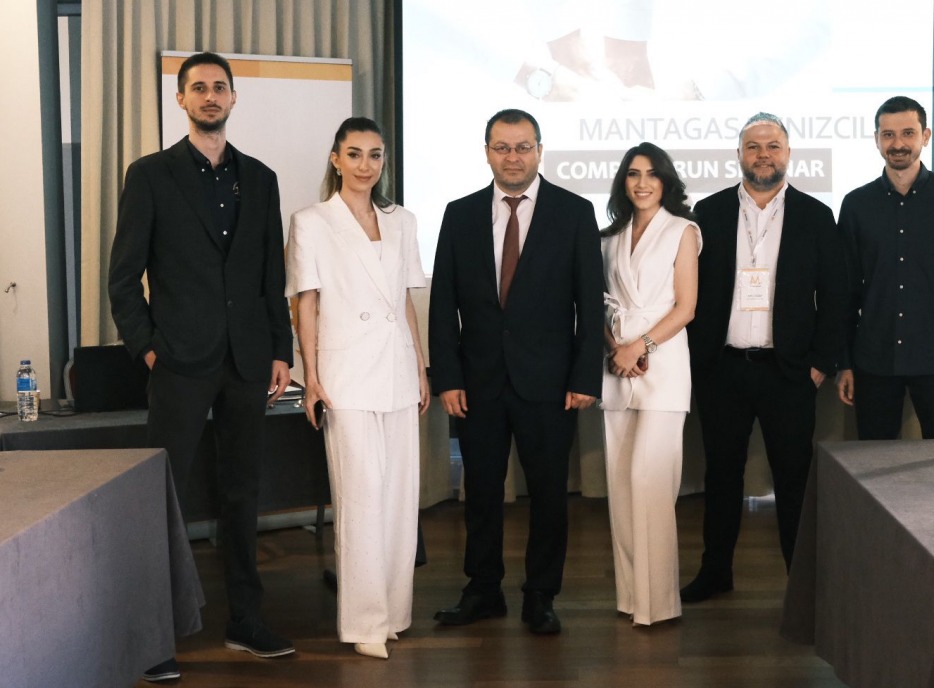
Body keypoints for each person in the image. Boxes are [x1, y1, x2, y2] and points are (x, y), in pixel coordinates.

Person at [108, 51, 294, 682]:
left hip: (247, 361)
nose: (210, 96)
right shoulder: (150, 175)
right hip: (179, 363)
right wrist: (147, 347)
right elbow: (123, 277)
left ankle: (246, 622)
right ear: (181, 100)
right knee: (163, 499)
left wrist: (280, 349)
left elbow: (271, 274)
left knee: (243, 493)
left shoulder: (261, 178)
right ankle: (155, 637)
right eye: (198, 88)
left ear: (234, 98)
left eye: (219, 87)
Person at [428, 108, 605, 635]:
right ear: (487, 152)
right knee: (481, 493)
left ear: (540, 151)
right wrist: (448, 377)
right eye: (502, 147)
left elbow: (589, 304)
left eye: (523, 147)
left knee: (549, 495)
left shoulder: (574, 212)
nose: (513, 157)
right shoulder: (459, 214)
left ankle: (541, 594)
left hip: (549, 384)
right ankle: (482, 589)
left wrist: (584, 378)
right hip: (477, 383)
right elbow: (443, 305)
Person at [682, 112, 849, 602]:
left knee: (793, 481)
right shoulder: (708, 212)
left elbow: (836, 296)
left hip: (788, 372)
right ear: (739, 154)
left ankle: (801, 582)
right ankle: (715, 572)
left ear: (788, 154)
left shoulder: (816, 216)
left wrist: (819, 363)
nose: (763, 155)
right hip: (723, 369)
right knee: (721, 476)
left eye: (772, 146)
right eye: (753, 146)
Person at [285, 117, 429, 659]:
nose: (365, 165)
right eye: (354, 154)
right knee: (360, 496)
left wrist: (421, 368)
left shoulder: (402, 221)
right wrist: (311, 378)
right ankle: (365, 622)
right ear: (335, 159)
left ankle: (394, 612)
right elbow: (306, 303)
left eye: (375, 154)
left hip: (397, 369)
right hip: (345, 374)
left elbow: (404, 301)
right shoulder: (311, 222)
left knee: (399, 498)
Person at [599, 142, 701, 626]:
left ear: (666, 181)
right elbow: (598, 303)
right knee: (621, 487)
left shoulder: (683, 230)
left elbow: (686, 307)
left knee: (650, 480)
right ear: (623, 181)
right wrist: (616, 347)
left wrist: (640, 346)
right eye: (634, 174)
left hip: (662, 366)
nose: (642, 183)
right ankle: (631, 596)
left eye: (652, 174)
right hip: (617, 365)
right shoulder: (609, 237)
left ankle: (658, 602)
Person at [836, 96, 934, 439]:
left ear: (925, 136)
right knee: (874, 460)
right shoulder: (856, 205)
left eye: (908, 133)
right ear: (876, 139)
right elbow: (844, 292)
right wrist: (844, 363)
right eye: (888, 135)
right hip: (873, 358)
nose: (897, 144)